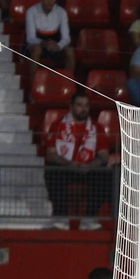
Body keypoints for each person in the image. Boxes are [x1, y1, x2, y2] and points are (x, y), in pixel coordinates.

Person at [43, 92, 112, 227]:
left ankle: (89, 218)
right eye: (79, 105)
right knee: (51, 172)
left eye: (86, 105)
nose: (83, 109)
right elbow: (50, 154)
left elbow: (104, 156)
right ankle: (61, 217)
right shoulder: (57, 125)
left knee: (106, 175)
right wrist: (69, 164)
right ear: (71, 106)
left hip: (87, 169)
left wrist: (91, 165)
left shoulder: (97, 128)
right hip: (66, 168)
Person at [25, 0, 71, 67]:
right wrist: (43, 43)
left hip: (54, 43)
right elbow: (30, 38)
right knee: (37, 50)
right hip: (37, 43)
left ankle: (69, 79)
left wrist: (58, 45)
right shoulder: (31, 11)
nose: (50, 1)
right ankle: (33, 79)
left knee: (69, 51)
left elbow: (66, 38)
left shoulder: (61, 12)